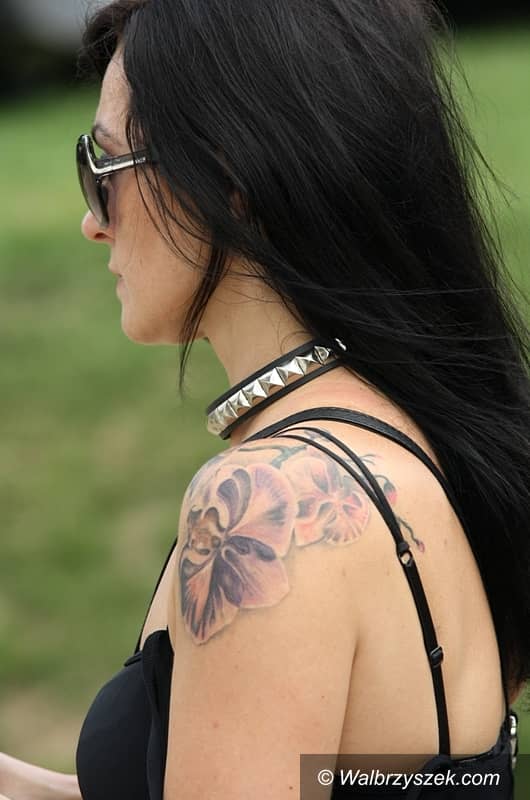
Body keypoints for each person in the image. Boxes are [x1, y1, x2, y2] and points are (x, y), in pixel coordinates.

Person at [2, 1, 530, 798]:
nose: (91, 221)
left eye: (104, 168)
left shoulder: (270, 504)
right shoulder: (415, 440)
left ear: (226, 181)